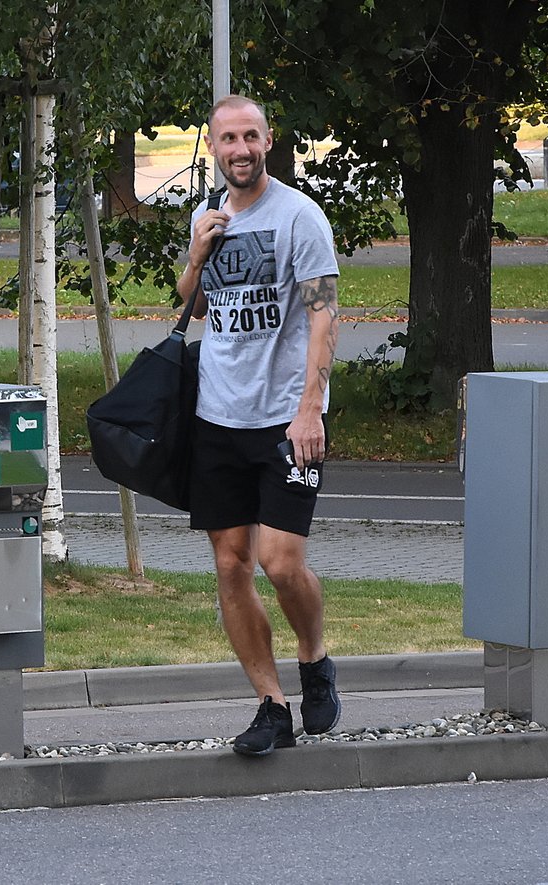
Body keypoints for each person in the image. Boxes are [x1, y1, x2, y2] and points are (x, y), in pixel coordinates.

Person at [176, 95, 341, 757]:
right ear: (213, 147)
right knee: (229, 563)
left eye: (250, 137)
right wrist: (195, 252)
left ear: (268, 141)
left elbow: (324, 316)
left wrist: (310, 408)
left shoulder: (301, 217)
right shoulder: (207, 216)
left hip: (285, 418)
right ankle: (272, 706)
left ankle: (314, 653)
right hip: (219, 416)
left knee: (279, 561)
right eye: (227, 139)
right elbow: (191, 306)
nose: (239, 149)